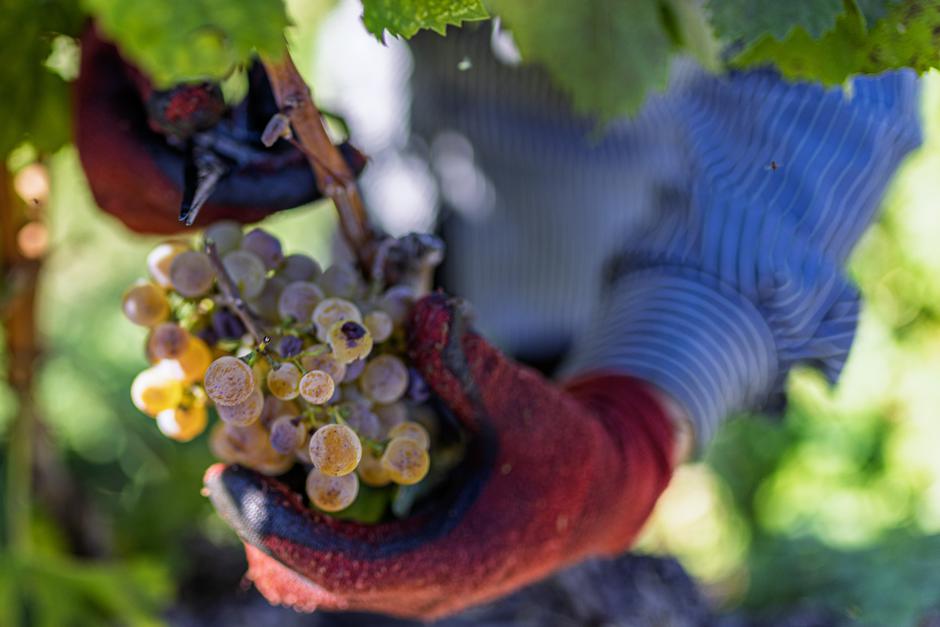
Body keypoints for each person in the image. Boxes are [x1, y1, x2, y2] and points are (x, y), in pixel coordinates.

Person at [75, 21, 922, 621]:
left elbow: (842, 55)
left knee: (532, 526)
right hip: (382, 181)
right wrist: (159, 23)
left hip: (608, 270)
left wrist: (634, 427)